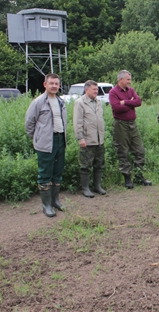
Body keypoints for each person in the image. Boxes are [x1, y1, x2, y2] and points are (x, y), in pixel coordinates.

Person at [25, 73, 67, 217]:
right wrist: (38, 138)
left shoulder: (61, 102)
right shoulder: (38, 102)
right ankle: (46, 205)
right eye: (51, 83)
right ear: (45, 85)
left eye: (56, 83)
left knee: (58, 172)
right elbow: (29, 124)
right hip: (45, 143)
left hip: (60, 140)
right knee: (45, 174)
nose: (54, 86)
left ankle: (55, 201)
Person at [109, 70, 152, 189]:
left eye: (130, 79)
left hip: (133, 124)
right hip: (120, 125)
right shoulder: (113, 92)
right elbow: (116, 107)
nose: (130, 81)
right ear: (120, 80)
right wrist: (130, 103)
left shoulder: (131, 90)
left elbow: (138, 102)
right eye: (128, 79)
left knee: (140, 150)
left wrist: (126, 102)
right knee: (123, 151)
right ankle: (127, 178)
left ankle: (139, 176)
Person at [73, 80, 107, 198]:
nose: (96, 91)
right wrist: (80, 138)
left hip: (99, 139)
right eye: (94, 89)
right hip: (87, 140)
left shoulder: (98, 102)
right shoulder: (80, 103)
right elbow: (77, 122)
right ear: (86, 89)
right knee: (85, 165)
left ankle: (97, 186)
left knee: (99, 164)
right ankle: (85, 188)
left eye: (97, 89)